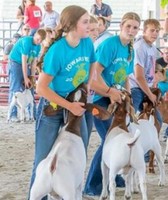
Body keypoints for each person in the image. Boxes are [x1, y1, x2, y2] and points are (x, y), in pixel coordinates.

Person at [28, 5, 96, 200]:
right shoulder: (57, 50)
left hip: (75, 103)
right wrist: (69, 106)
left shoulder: (87, 44)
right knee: (42, 160)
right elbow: (41, 88)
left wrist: (88, 84)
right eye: (85, 22)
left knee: (79, 154)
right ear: (72, 25)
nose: (89, 25)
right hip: (53, 106)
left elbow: (92, 62)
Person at [83, 12, 141, 196]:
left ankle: (114, 176)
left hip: (116, 98)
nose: (131, 30)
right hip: (100, 98)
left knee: (118, 138)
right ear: (121, 26)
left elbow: (124, 76)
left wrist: (128, 96)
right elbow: (95, 74)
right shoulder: (110, 44)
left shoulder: (130, 49)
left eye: (135, 27)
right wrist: (109, 92)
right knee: (108, 141)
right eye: (128, 26)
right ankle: (92, 186)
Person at [129, 19, 162, 158]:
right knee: (131, 121)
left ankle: (146, 154)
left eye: (157, 31)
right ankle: (131, 151)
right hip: (135, 88)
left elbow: (151, 70)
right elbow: (139, 76)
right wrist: (150, 94)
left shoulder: (153, 48)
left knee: (157, 120)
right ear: (144, 31)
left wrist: (154, 84)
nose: (155, 33)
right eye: (152, 30)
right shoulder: (139, 47)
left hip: (146, 87)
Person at [8, 29, 46, 121]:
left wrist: (31, 78)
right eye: (38, 39)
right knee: (16, 87)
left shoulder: (38, 46)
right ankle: (13, 114)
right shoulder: (26, 41)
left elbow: (33, 62)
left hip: (27, 64)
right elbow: (24, 61)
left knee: (30, 87)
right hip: (15, 62)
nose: (39, 42)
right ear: (35, 35)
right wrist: (25, 78)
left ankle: (32, 114)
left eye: (41, 40)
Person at [156, 47, 168, 138]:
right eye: (166, 53)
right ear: (162, 54)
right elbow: (161, 78)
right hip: (161, 89)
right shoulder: (158, 62)